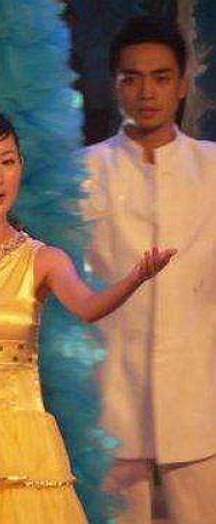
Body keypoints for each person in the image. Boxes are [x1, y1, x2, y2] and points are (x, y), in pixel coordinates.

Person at [0, 104, 174, 523]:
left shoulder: (42, 259)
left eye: (7, 161)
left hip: (22, 449)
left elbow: (88, 306)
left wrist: (136, 277)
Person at [83, 15, 216, 524]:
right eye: (132, 78)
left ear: (182, 85)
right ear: (114, 84)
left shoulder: (211, 167)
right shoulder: (82, 172)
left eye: (161, 78)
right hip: (111, 391)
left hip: (199, 391)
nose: (146, 93)